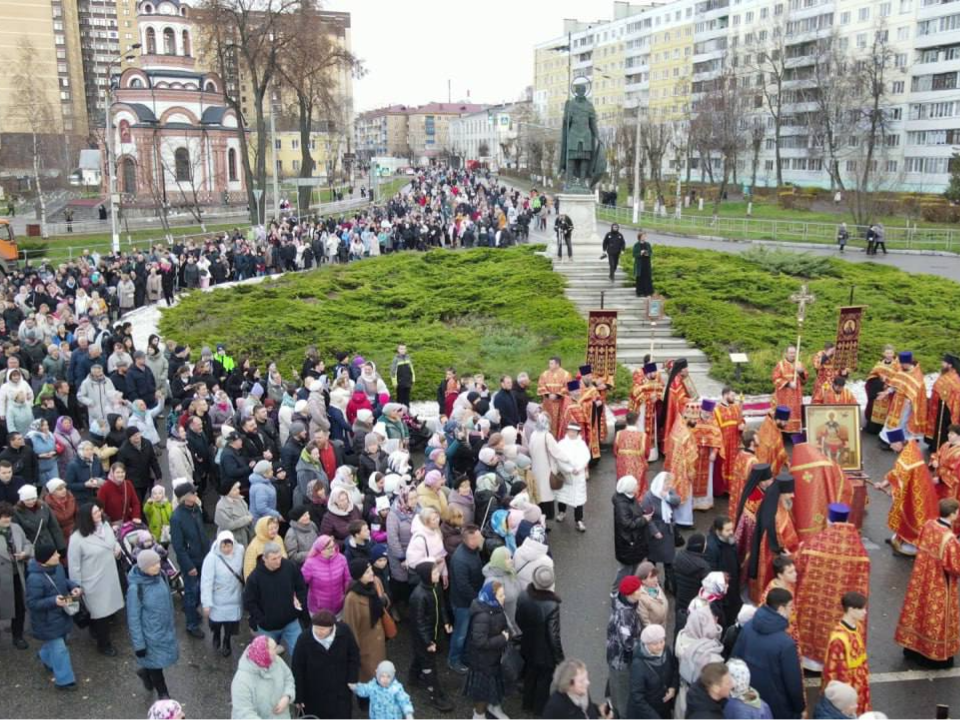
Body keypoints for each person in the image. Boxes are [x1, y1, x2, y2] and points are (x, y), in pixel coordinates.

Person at [794, 504, 870, 672]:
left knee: (812, 623)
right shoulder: (858, 550)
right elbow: (862, 583)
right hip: (841, 606)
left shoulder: (815, 544)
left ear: (829, 521)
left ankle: (808, 660)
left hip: (814, 601)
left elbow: (798, 567)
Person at [895, 498, 960, 668]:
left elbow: (920, 544)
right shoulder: (950, 539)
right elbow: (954, 567)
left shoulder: (929, 525)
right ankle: (932, 654)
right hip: (939, 582)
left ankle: (912, 648)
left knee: (918, 610)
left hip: (921, 577)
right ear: (952, 514)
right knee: (935, 616)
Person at [732, 588, 805, 720]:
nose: (792, 610)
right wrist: (799, 708)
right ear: (781, 609)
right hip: (777, 705)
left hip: (749, 698)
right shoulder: (786, 644)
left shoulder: (748, 627)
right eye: (790, 607)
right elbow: (793, 683)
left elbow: (735, 657)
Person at [68, 502, 123, 656]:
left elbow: (113, 543)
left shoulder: (105, 526)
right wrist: (76, 585)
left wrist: (117, 550)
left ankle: (96, 631)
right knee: (101, 614)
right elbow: (74, 565)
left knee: (102, 613)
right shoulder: (77, 538)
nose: (99, 514)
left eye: (99, 511)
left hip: (109, 577)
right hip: (92, 582)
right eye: (95, 513)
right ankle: (103, 644)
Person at [25, 544, 81, 691]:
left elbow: (64, 582)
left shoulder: (58, 567)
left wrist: (73, 586)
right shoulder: (34, 579)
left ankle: (45, 657)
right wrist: (53, 601)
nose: (58, 556)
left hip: (60, 615)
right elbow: (32, 603)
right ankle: (64, 681)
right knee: (60, 648)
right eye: (54, 554)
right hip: (47, 621)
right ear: (45, 559)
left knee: (59, 641)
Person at [127, 548, 180, 701]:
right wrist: (139, 645)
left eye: (158, 563)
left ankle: (145, 672)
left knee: (157, 661)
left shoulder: (161, 576)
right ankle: (164, 695)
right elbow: (133, 619)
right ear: (143, 567)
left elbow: (169, 601)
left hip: (163, 630)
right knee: (156, 664)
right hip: (149, 635)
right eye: (152, 565)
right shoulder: (135, 589)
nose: (157, 567)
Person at [876, 428, 938, 556]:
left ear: (899, 442)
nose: (892, 448)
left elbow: (900, 477)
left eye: (893, 445)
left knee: (911, 517)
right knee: (904, 516)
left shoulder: (908, 458)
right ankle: (899, 539)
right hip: (913, 489)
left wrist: (892, 490)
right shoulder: (909, 449)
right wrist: (884, 484)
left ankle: (911, 546)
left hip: (915, 495)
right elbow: (897, 473)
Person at [292, 610, 361, 720]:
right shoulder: (304, 639)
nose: (319, 632)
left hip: (340, 690)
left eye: (323, 629)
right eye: (316, 628)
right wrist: (299, 696)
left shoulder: (344, 631)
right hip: (314, 693)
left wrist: (352, 679)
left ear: (332, 627)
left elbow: (354, 655)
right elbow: (297, 669)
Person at [244, 542, 308, 654]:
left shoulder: (289, 566)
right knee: (267, 658)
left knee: (299, 653)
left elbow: (301, 587)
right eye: (274, 559)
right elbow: (249, 602)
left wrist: (299, 607)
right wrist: (261, 619)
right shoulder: (255, 577)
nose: (278, 561)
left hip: (291, 622)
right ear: (264, 558)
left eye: (280, 557)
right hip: (268, 628)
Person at [516, 564, 563, 715]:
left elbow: (519, 619)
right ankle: (539, 709)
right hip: (545, 653)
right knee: (544, 682)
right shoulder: (552, 605)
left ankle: (526, 703)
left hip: (528, 644)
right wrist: (560, 658)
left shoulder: (524, 595)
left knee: (530, 675)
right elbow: (553, 636)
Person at [408, 560, 454, 712]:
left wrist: (446, 621)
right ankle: (434, 696)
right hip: (423, 638)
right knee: (429, 666)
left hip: (433, 633)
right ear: (426, 575)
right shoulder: (418, 596)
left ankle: (413, 678)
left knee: (420, 657)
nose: (438, 574)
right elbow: (418, 623)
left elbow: (441, 606)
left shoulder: (436, 587)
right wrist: (428, 642)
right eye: (434, 572)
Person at [746, 473, 798, 605]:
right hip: (773, 553)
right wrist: (795, 552)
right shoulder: (776, 515)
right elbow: (782, 541)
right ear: (781, 493)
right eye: (790, 492)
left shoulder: (772, 502)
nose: (793, 495)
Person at [464, 579, 511, 720]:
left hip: (493, 658)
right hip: (483, 662)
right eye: (501, 595)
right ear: (492, 597)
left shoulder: (494, 607)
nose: (504, 598)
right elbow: (480, 642)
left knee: (494, 687)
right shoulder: (483, 615)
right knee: (483, 693)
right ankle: (478, 715)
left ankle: (494, 707)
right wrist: (503, 639)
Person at [169, 481, 209, 639]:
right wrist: (188, 565)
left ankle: (191, 610)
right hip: (190, 561)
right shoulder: (176, 518)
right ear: (185, 497)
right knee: (192, 591)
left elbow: (203, 533)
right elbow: (178, 547)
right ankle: (191, 624)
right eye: (193, 493)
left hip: (203, 557)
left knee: (200, 589)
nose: (196, 495)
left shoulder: (196, 509)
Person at [821, 592, 871, 714]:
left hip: (860, 682)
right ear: (851, 610)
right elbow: (834, 671)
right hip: (849, 687)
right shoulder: (838, 639)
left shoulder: (857, 626)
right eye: (862, 609)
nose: (865, 612)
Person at [230, 635, 296, 720]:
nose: (277, 650)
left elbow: (288, 678)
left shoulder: (277, 661)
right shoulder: (241, 682)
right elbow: (244, 714)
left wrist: (287, 697)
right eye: (274, 648)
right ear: (265, 655)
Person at [201, 530, 245, 658]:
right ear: (219, 545)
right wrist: (206, 603)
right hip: (218, 598)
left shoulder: (239, 551)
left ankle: (226, 640)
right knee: (216, 622)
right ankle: (216, 634)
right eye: (223, 546)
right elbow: (206, 582)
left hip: (234, 596)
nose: (226, 549)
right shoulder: (211, 558)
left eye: (229, 545)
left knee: (230, 623)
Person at [342, 559, 387, 684]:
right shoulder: (352, 598)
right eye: (367, 572)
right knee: (368, 679)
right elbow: (350, 628)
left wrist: (384, 601)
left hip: (377, 642)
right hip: (365, 649)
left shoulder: (373, 585)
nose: (372, 573)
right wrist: (354, 654)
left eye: (371, 570)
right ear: (358, 576)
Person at [447, 524, 484, 673]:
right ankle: (453, 660)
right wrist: (478, 599)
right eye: (479, 536)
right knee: (460, 634)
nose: (482, 538)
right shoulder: (461, 559)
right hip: (463, 604)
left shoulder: (473, 550)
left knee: (467, 632)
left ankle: (464, 656)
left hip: (470, 600)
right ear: (471, 540)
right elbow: (463, 586)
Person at [606, 574, 644, 718]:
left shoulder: (625, 604)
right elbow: (628, 643)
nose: (641, 591)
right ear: (630, 594)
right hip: (621, 661)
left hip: (616, 657)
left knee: (617, 689)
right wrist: (644, 645)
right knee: (622, 697)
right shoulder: (625, 615)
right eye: (638, 589)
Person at [628, 623, 678, 720]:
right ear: (646, 643)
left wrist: (673, 687)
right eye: (655, 644)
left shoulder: (666, 651)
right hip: (645, 714)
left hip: (663, 708)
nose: (660, 646)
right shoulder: (638, 665)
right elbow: (637, 697)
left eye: (662, 641)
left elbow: (674, 670)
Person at [611, 474, 650, 592]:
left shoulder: (630, 498)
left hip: (634, 541)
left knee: (633, 567)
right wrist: (644, 519)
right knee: (625, 569)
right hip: (628, 542)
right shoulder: (622, 504)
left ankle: (629, 588)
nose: (638, 486)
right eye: (635, 485)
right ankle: (616, 590)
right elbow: (627, 524)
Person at [880, 351, 927, 447]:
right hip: (897, 401)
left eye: (903, 364)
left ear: (908, 362)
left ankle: (901, 441)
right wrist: (886, 392)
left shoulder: (916, 375)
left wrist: (910, 400)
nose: (902, 366)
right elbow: (895, 385)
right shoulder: (901, 371)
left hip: (907, 404)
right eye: (901, 363)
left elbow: (918, 392)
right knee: (892, 421)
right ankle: (889, 440)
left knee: (902, 422)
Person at [0, 501, 30, 649]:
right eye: (3, 517)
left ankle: (18, 636)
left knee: (19, 607)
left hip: (17, 574)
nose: (7, 519)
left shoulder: (16, 528)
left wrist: (25, 553)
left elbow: (28, 544)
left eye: (9, 516)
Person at [541, 658, 614, 719]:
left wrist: (598, 710)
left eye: (586, 678)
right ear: (569, 684)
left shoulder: (582, 692)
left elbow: (586, 709)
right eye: (581, 681)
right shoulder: (555, 708)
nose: (587, 682)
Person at [301, 534, 352, 615]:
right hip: (318, 611)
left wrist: (345, 596)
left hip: (339, 607)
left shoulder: (342, 559)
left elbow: (347, 580)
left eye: (333, 546)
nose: (332, 549)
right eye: (328, 548)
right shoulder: (310, 563)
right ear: (320, 550)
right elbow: (301, 583)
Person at [349, 660, 415, 720]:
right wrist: (356, 687)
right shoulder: (372, 686)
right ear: (377, 675)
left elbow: (404, 700)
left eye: (388, 676)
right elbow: (365, 689)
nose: (385, 680)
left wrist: (408, 713)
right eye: (382, 676)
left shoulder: (396, 688)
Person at [705, 516, 741, 627]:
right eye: (727, 530)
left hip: (732, 584)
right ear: (718, 531)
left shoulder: (729, 540)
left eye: (732, 529)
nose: (731, 532)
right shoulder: (712, 547)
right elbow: (711, 572)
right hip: (722, 590)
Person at [555, 422, 590, 532]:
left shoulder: (582, 444)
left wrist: (579, 468)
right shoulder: (561, 444)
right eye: (570, 430)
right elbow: (559, 459)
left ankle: (578, 520)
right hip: (566, 474)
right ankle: (562, 512)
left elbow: (586, 457)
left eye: (574, 431)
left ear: (577, 432)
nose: (571, 433)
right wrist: (569, 469)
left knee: (578, 498)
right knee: (563, 496)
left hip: (578, 475)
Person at [691, 399, 723, 511]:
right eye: (706, 413)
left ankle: (704, 502)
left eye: (710, 413)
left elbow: (718, 439)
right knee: (693, 476)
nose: (708, 415)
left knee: (706, 477)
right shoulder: (694, 419)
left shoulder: (713, 422)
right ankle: (692, 502)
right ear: (702, 410)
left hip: (707, 455)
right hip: (694, 454)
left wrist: (714, 453)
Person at [674, 532, 710, 630]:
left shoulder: (679, 556)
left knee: (680, 628)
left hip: (680, 601)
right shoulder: (703, 567)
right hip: (695, 605)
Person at [927, 355, 960, 450]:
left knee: (943, 427)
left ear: (950, 365)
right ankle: (936, 445)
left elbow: (955, 391)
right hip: (940, 405)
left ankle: (940, 448)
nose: (942, 364)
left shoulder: (954, 377)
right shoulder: (946, 374)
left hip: (947, 407)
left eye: (944, 362)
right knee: (939, 426)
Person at [770, 347, 806, 435]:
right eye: (791, 353)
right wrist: (788, 384)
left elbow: (804, 381)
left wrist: (801, 372)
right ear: (786, 353)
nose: (793, 355)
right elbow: (775, 379)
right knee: (784, 415)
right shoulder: (780, 365)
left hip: (796, 396)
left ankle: (795, 433)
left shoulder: (799, 364)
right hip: (784, 397)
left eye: (794, 353)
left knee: (795, 414)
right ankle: (783, 432)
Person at [613, 414, 649, 497]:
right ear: (636, 422)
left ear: (626, 422)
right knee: (637, 485)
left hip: (622, 465)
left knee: (624, 484)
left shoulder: (619, 434)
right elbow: (647, 453)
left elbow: (615, 452)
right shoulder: (643, 436)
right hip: (637, 466)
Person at [537, 356, 572, 440]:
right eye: (549, 363)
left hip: (560, 403)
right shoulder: (544, 374)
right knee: (548, 421)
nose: (549, 365)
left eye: (551, 363)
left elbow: (568, 388)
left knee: (559, 422)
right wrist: (548, 394)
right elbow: (541, 386)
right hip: (548, 403)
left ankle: (559, 439)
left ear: (557, 364)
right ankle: (546, 439)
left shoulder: (566, 374)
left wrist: (557, 394)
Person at [390, 344, 416, 409]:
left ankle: (407, 412)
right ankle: (400, 413)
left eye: (404, 349)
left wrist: (413, 379)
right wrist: (394, 383)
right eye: (401, 349)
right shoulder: (395, 359)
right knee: (400, 399)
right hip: (400, 383)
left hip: (408, 382)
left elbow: (411, 369)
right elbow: (392, 372)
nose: (403, 350)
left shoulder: (408, 357)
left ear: (406, 350)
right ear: (398, 350)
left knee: (407, 398)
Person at [633, 231, 654, 297]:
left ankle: (647, 292)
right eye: (643, 236)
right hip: (640, 264)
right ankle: (639, 292)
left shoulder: (648, 244)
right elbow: (634, 254)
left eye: (645, 236)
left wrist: (647, 253)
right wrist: (640, 253)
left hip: (647, 263)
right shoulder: (636, 244)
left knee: (647, 278)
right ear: (639, 237)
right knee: (640, 278)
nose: (644, 237)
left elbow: (651, 252)